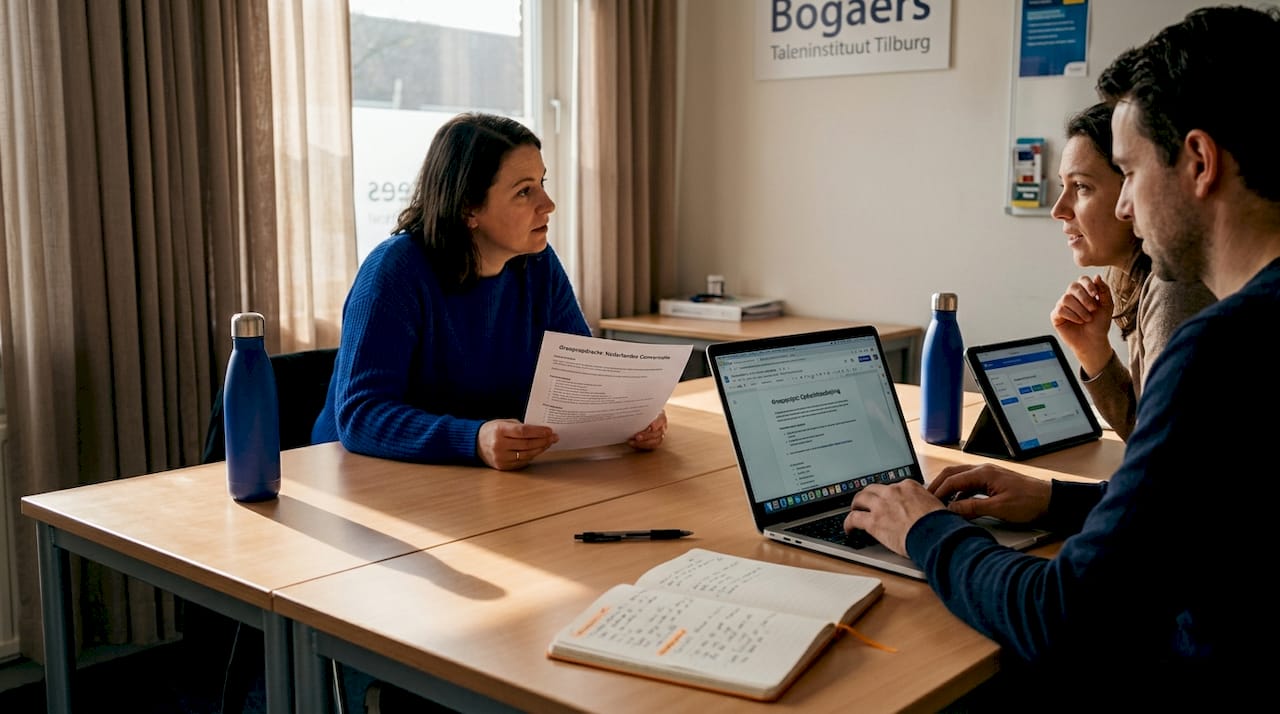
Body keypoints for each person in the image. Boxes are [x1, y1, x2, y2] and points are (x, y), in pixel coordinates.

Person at [845, 5, 1280, 706]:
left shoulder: (1222, 348)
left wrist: (924, 530)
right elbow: (1205, 508)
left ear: (1199, 162)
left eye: (1130, 173)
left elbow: (1064, 618)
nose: (1129, 209)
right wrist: (1055, 498)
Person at [312, 112, 667, 469]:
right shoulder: (394, 271)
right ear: (469, 208)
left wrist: (631, 413)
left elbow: (585, 376)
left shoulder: (537, 264)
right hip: (360, 478)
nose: (548, 204)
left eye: (542, 183)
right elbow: (361, 415)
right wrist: (474, 439)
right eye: (524, 191)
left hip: (483, 476)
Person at [1048, 102, 1215, 440]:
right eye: (1062, 186)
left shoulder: (1174, 288)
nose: (1058, 210)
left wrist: (1049, 494)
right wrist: (1093, 352)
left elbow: (1160, 469)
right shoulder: (1137, 281)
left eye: (1081, 186)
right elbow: (1150, 434)